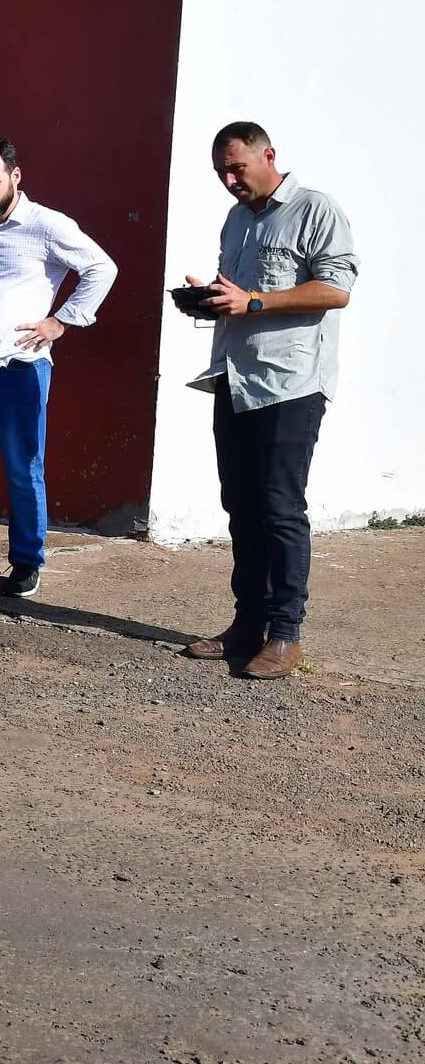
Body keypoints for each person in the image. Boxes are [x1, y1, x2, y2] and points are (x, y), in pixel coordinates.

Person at [177, 122, 356, 679]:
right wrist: (211, 299)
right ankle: (246, 625)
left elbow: (337, 289)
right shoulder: (235, 220)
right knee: (241, 508)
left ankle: (286, 634)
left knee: (280, 510)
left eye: (237, 168)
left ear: (268, 155)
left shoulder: (315, 209)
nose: (229, 181)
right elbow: (244, 296)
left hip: (291, 383)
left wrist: (253, 302)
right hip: (234, 377)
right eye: (220, 173)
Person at [0, 136, 117, 598]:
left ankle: (27, 561)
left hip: (20, 366)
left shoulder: (46, 225)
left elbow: (101, 268)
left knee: (22, 466)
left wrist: (61, 321)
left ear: (15, 176)